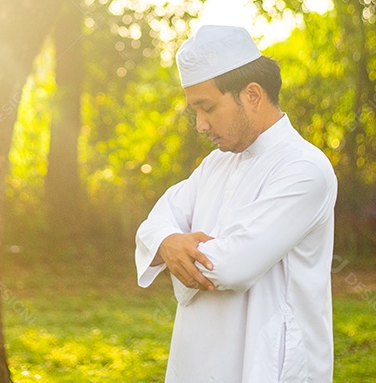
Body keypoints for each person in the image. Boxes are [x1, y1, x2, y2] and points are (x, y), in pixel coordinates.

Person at [135, 24, 338, 383]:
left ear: (253, 95)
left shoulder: (305, 169)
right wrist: (168, 241)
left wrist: (173, 250)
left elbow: (229, 267)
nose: (200, 124)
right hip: (196, 361)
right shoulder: (216, 163)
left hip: (269, 365)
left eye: (207, 107)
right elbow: (156, 221)